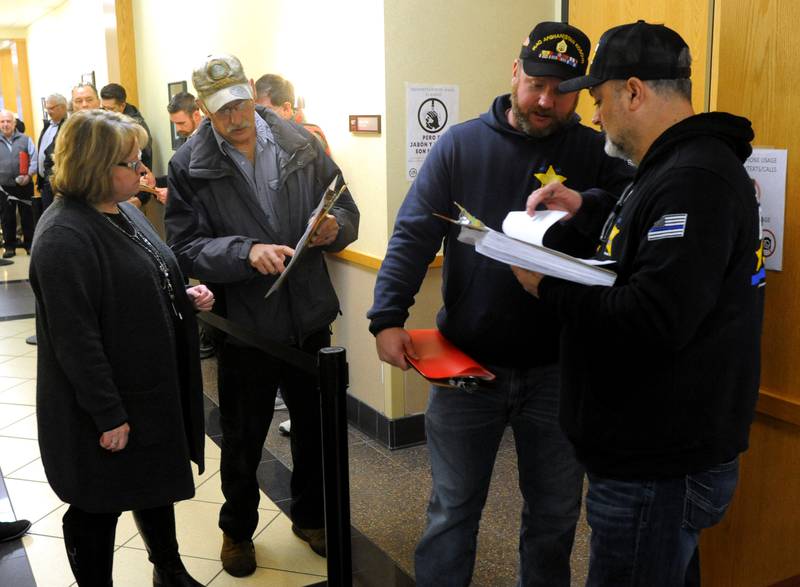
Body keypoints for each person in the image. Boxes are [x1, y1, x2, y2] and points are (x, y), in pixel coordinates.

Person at [367, 22, 633, 587]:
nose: (545, 100)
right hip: (469, 366)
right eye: (536, 83)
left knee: (556, 516)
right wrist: (387, 317)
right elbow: (414, 234)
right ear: (514, 72)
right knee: (452, 509)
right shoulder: (461, 144)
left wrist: (585, 203)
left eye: (561, 91)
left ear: (581, 93)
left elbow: (631, 213)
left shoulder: (596, 150)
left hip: (561, 367)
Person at [511, 21, 764, 586]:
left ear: (633, 91)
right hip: (654, 453)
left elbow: (653, 317)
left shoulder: (694, 177)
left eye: (599, 99)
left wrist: (544, 286)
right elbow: (646, 251)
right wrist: (592, 211)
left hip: (658, 462)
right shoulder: (670, 168)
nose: (595, 115)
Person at [165, 53, 359, 577]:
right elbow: (184, 246)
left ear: (252, 90)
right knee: (243, 438)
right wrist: (245, 251)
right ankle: (238, 530)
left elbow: (347, 208)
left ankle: (311, 517)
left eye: (241, 103)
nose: (236, 117)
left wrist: (333, 229)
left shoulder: (301, 142)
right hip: (247, 326)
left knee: (316, 431)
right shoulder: (189, 165)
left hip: (310, 318)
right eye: (222, 109)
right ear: (205, 109)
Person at [30, 109, 214, 587]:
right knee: (98, 505)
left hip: (146, 389)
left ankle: (168, 571)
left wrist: (182, 297)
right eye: (131, 163)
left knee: (153, 485)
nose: (142, 171)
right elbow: (76, 340)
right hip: (102, 405)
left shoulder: (125, 209)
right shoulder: (64, 235)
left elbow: (143, 279)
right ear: (95, 167)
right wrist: (109, 414)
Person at [254, 73, 331, 156]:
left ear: (286, 109)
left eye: (265, 111)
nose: (258, 118)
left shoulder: (310, 139)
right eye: (255, 111)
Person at [0, 109, 38, 258]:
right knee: (6, 217)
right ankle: (9, 246)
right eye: (2, 121)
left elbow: (34, 159)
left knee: (27, 215)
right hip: (3, 187)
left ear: (14, 123)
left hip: (24, 184)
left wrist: (29, 175)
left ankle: (29, 244)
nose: (5, 124)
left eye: (8, 121)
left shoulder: (26, 139)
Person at [100, 82, 154, 169]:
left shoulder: (135, 127)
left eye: (111, 109)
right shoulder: (105, 116)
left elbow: (141, 159)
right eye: (104, 108)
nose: (106, 113)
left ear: (122, 106)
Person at [37, 93, 68, 210]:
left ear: (63, 107)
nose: (48, 112)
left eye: (51, 108)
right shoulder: (48, 126)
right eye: (47, 108)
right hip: (45, 183)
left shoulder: (67, 127)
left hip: (57, 183)